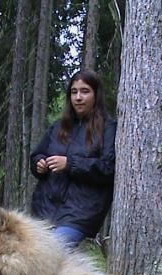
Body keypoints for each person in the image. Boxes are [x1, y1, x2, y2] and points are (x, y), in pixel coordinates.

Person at [30, 70, 117, 248]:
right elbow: (37, 154)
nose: (78, 97)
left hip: (81, 214)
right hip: (44, 211)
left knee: (51, 253)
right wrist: (39, 163)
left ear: (96, 95)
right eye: (74, 92)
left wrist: (70, 164)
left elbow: (108, 168)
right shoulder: (58, 127)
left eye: (85, 91)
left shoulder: (108, 128)